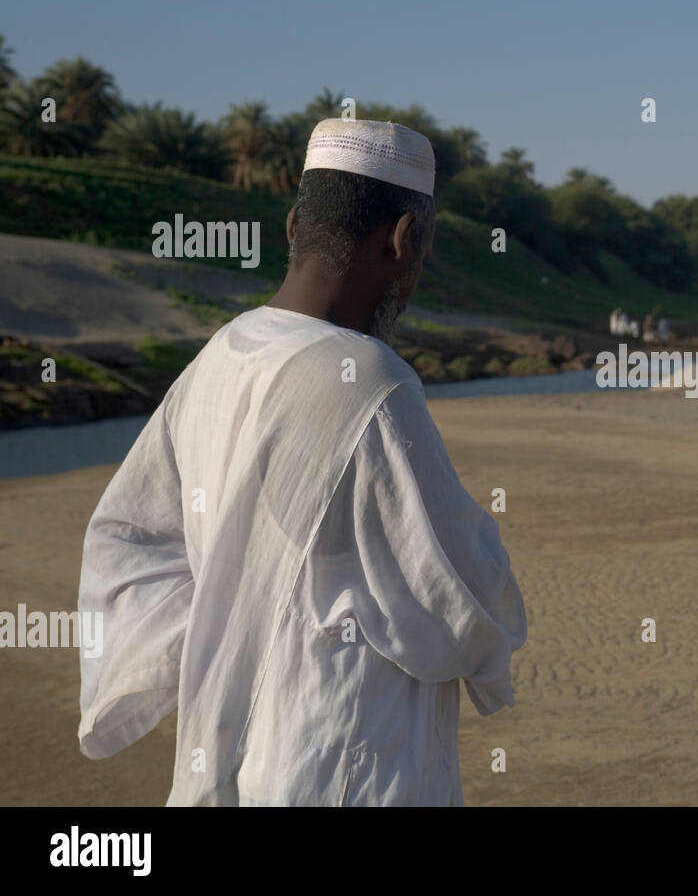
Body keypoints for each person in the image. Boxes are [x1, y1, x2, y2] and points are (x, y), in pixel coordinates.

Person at [77, 119, 526, 806]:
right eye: (420, 255)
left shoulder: (221, 355)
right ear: (404, 240)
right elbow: (457, 597)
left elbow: (130, 538)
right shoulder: (371, 382)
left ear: (293, 226)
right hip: (338, 761)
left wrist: (222, 632)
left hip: (231, 755)